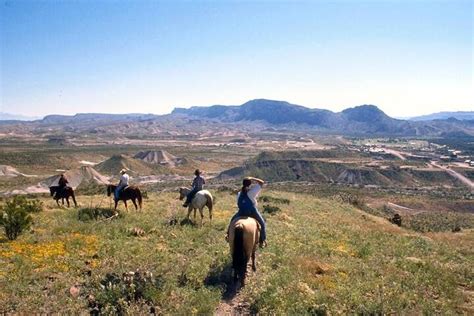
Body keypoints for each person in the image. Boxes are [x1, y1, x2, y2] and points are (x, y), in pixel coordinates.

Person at [227, 177, 267, 248]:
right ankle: (262, 241)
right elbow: (262, 182)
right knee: (262, 223)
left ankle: (228, 235)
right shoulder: (252, 192)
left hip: (241, 212)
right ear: (250, 183)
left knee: (232, 221)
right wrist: (253, 178)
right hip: (252, 212)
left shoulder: (239, 193)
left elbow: (238, 203)